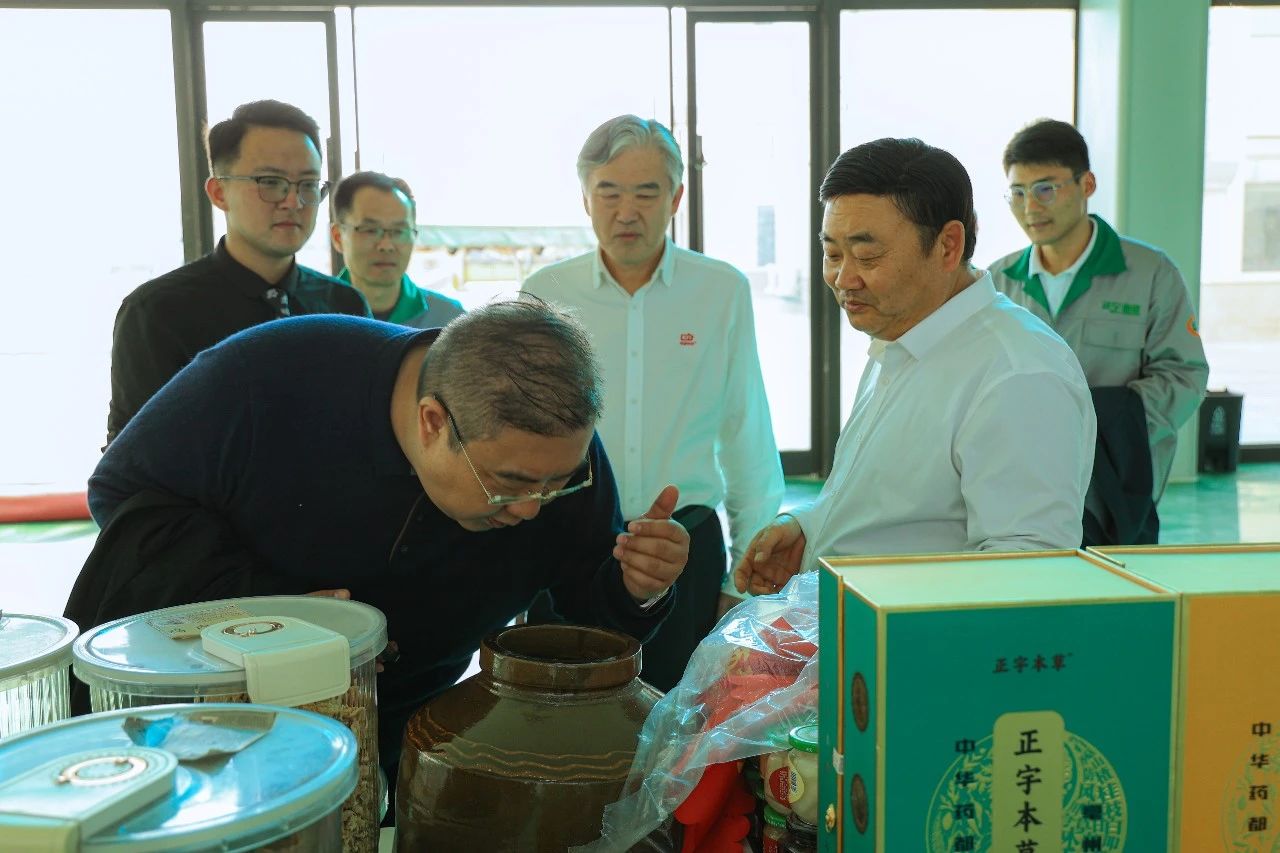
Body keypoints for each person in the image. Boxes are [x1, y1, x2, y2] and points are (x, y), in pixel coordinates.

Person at [68, 297, 689, 806]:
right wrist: (267, 612)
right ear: (432, 422)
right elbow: (123, 492)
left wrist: (638, 585)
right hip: (202, 724)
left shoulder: (549, 454)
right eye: (509, 485)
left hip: (401, 729)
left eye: (559, 483)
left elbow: (586, 611)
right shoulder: (272, 376)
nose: (533, 508)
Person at [734, 138, 1096, 596]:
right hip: (851, 622)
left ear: (948, 245)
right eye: (832, 254)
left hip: (908, 637)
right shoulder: (901, 336)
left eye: (867, 256)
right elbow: (895, 507)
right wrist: (808, 529)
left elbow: (1024, 575)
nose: (844, 279)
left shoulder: (1018, 375)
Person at [524, 115, 784, 692]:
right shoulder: (546, 291)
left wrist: (743, 582)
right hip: (571, 544)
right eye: (608, 193)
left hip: (685, 544)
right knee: (558, 711)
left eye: (646, 193)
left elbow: (745, 431)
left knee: (680, 719)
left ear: (676, 198)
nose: (627, 212)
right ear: (585, 198)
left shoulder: (720, 290)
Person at [989, 119, 1209, 539]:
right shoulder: (998, 283)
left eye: (1045, 189)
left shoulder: (1150, 273)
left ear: (1086, 184)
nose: (1030, 207)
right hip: (1023, 496)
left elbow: (1185, 376)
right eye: (1017, 193)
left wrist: (1103, 425)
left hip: (1117, 497)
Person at [106, 99, 368, 445]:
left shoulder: (345, 306)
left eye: (307, 184)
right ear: (219, 192)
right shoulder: (157, 312)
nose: (293, 201)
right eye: (270, 181)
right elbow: (131, 460)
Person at [330, 171, 465, 328]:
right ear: (338, 237)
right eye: (370, 230)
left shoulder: (449, 321)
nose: (386, 245)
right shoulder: (312, 312)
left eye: (399, 231)